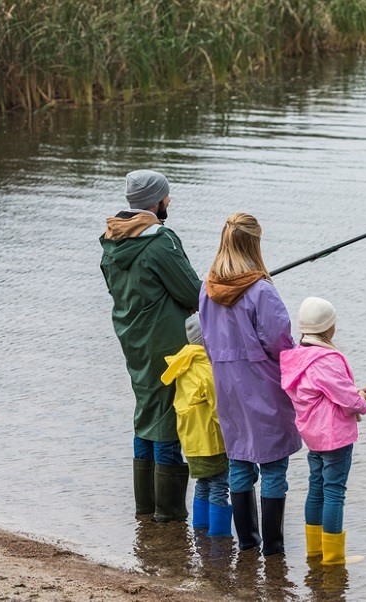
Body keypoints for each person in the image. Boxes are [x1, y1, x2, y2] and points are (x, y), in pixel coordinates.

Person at [100, 169, 202, 522]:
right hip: (167, 342)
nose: (169, 200)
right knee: (167, 419)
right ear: (155, 201)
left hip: (132, 338)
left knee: (146, 412)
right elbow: (193, 293)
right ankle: (169, 514)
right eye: (166, 196)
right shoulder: (161, 241)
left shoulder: (111, 240)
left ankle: (146, 508)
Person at [198, 212, 302, 556]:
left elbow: (207, 339)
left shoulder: (207, 288)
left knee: (239, 461)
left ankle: (247, 544)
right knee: (273, 466)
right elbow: (280, 343)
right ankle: (273, 549)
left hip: (227, 386)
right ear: (253, 243)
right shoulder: (261, 291)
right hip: (263, 384)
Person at [279, 297, 366, 565]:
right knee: (334, 491)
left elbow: (324, 393)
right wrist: (362, 400)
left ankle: (315, 550)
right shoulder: (325, 360)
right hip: (334, 436)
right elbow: (348, 401)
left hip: (313, 434)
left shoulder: (297, 357)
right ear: (327, 327)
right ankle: (333, 556)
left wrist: (354, 394)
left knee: (317, 488)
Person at [161, 314, 231, 537]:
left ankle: (200, 530)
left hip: (191, 441)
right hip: (212, 442)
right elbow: (219, 410)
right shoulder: (207, 368)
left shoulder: (184, 364)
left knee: (203, 484)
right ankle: (219, 537)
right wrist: (235, 434)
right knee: (219, 486)